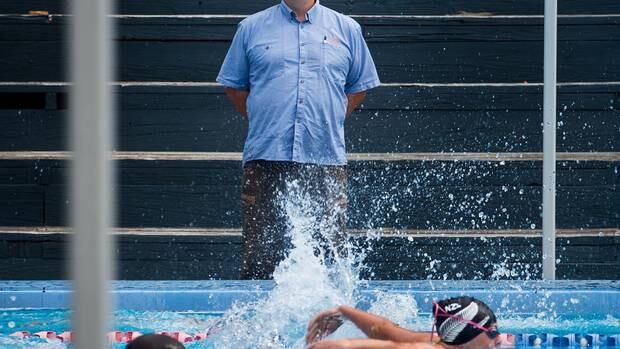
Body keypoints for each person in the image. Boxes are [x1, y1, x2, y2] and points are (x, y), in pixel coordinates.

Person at [217, 0, 381, 279]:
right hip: (265, 156)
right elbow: (234, 86)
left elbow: (359, 86)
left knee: (330, 255)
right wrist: (266, 119)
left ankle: (329, 321)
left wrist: (328, 120)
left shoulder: (348, 29)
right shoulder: (250, 28)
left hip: (325, 158)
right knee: (260, 255)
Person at [305, 296, 500, 349]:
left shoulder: (439, 340)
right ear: (465, 333)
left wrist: (344, 312)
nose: (498, 339)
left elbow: (387, 331)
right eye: (491, 332)